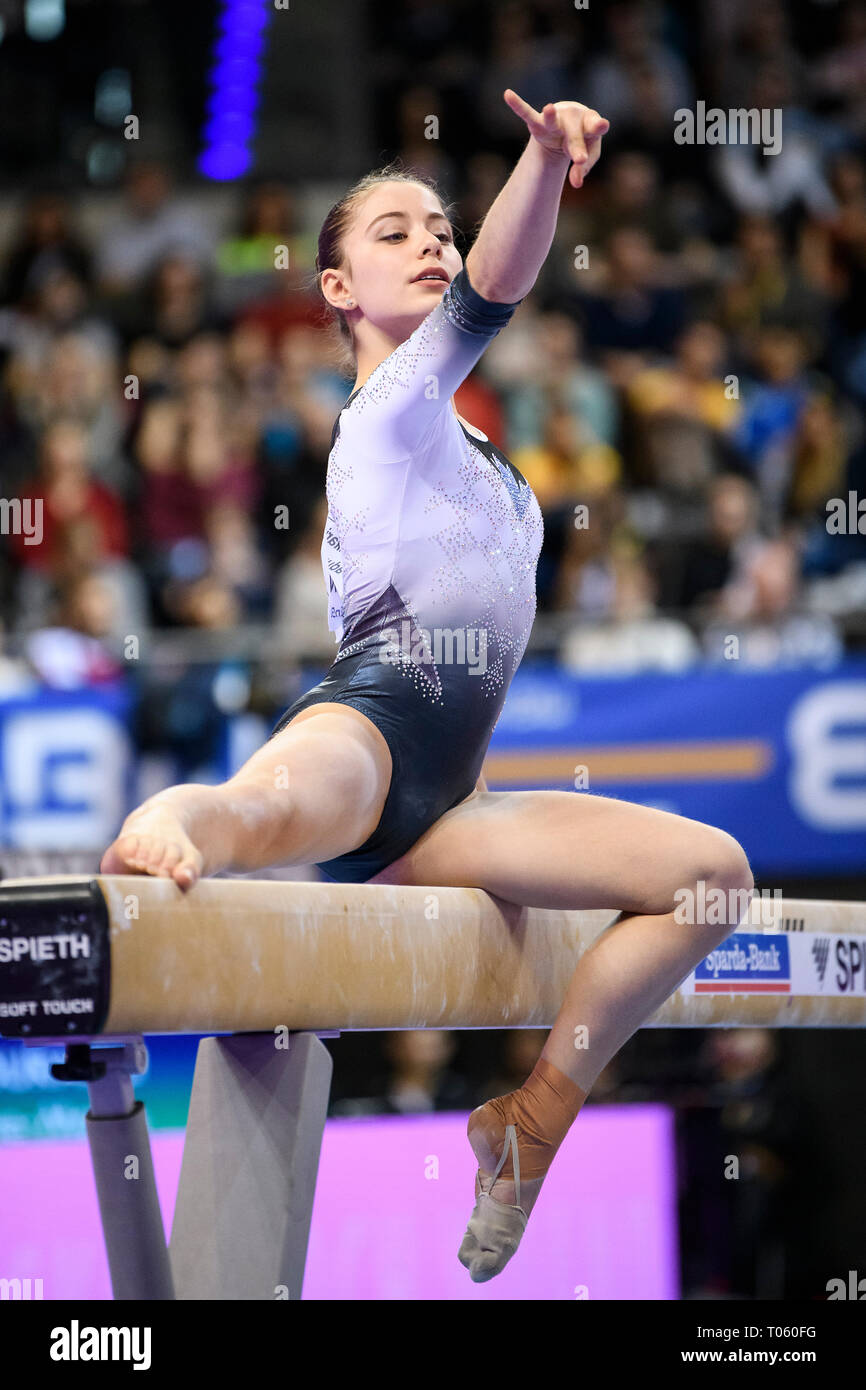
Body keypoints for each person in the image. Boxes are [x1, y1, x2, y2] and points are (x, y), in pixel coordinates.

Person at [100, 91, 754, 1283]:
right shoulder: (387, 409)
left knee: (711, 880)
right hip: (370, 731)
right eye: (396, 232)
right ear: (338, 288)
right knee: (251, 816)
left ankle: (532, 1121)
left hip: (454, 798)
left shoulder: (484, 462)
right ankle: (170, 820)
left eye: (439, 225)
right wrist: (545, 163)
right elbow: (491, 293)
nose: (434, 243)